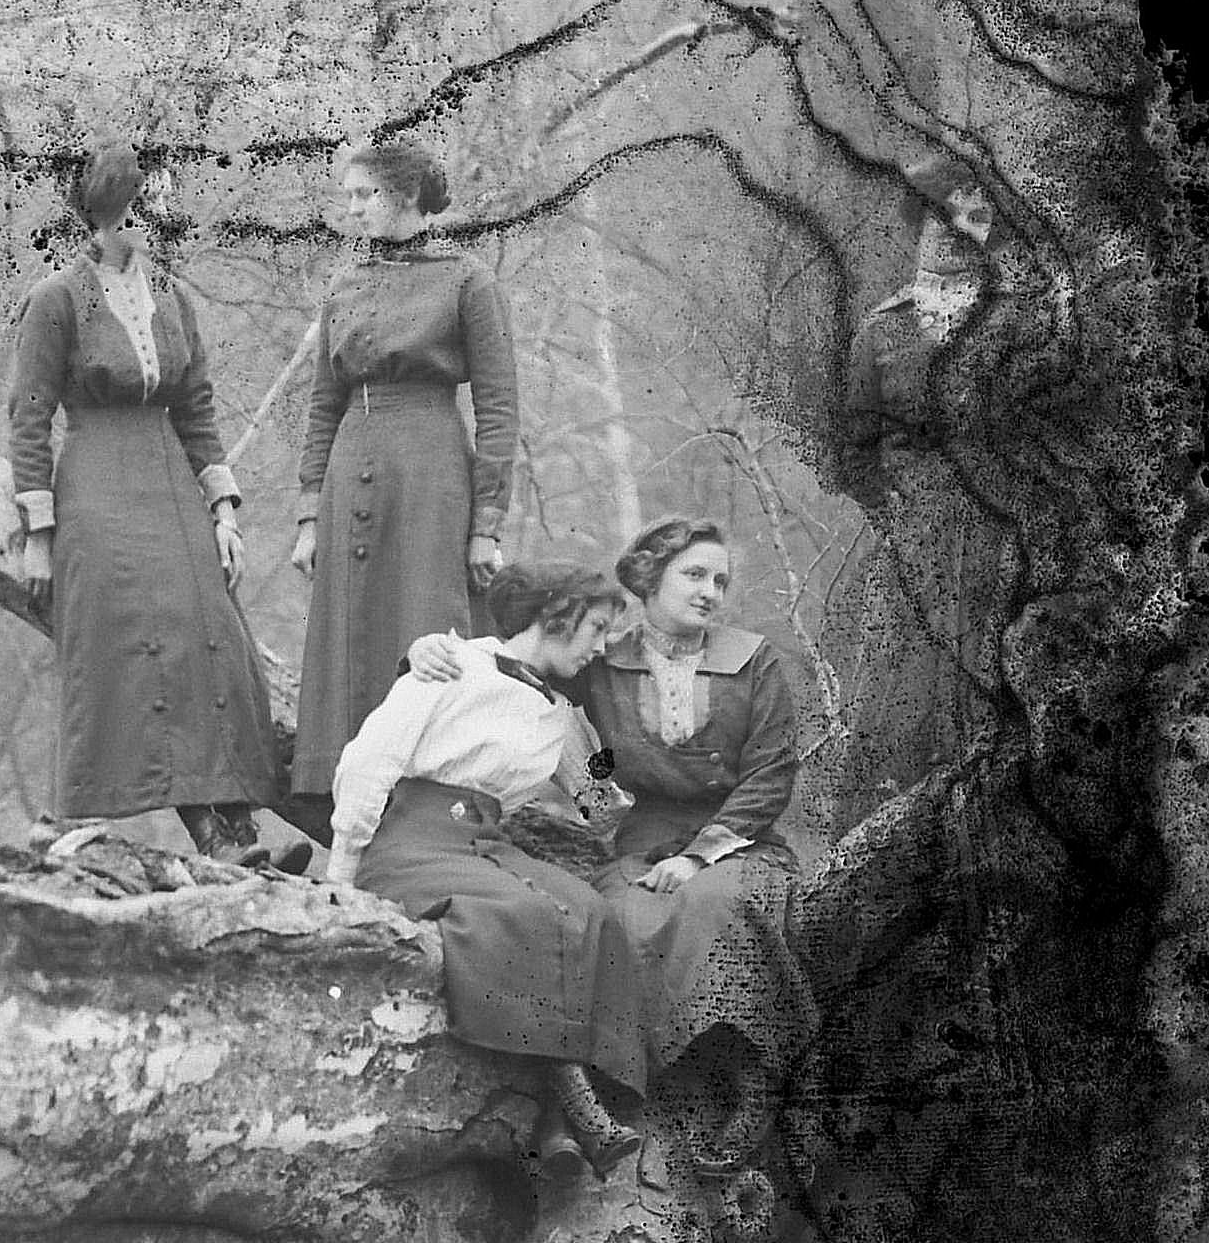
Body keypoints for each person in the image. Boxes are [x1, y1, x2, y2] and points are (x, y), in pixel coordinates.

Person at [408, 514, 816, 1160]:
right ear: (649, 577)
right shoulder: (604, 661)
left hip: (740, 834)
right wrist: (435, 649)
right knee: (619, 916)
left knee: (720, 904)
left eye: (720, 580)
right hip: (642, 838)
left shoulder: (753, 660)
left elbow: (771, 774)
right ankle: (646, 1089)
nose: (710, 591)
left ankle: (749, 1080)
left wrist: (700, 855)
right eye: (694, 574)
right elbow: (521, 655)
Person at [8, 138, 280, 859]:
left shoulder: (172, 297)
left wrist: (224, 513)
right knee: (133, 651)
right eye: (150, 206)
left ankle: (240, 827)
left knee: (210, 640)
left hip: (172, 489)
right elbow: (28, 418)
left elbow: (196, 408)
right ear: (114, 213)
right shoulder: (55, 300)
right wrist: (39, 534)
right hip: (97, 487)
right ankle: (204, 835)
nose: (163, 218)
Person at [327, 562, 644, 1179]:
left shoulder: (558, 710)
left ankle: (558, 1118)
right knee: (524, 914)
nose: (602, 646)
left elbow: (600, 805)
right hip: (413, 842)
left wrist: (596, 738)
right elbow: (367, 762)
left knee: (589, 912)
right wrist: (341, 870)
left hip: (485, 845)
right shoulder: (453, 662)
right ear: (558, 614)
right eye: (597, 628)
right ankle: (574, 1110)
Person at [288, 137, 518, 837]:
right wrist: (308, 516)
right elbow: (323, 404)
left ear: (409, 196)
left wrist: (486, 524)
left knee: (427, 621)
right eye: (349, 196)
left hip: (430, 475)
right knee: (351, 635)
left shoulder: (467, 280)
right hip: (349, 473)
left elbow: (499, 408)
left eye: (367, 195)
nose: (354, 209)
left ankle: (430, 812)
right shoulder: (344, 283)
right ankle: (349, 813)